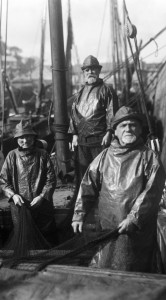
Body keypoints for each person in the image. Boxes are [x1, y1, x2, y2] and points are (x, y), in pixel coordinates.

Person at [72, 106, 166, 273]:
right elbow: (87, 186)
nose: (128, 129)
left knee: (132, 267)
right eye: (123, 126)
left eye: (132, 125)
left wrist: (133, 218)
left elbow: (152, 193)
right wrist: (79, 215)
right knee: (106, 264)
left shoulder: (149, 157)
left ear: (139, 129)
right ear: (115, 131)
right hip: (107, 227)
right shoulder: (103, 157)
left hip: (135, 230)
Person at [0, 119, 57, 245]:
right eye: (21, 138)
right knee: (24, 239)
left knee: (46, 236)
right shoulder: (12, 156)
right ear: (16, 139)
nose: (25, 141)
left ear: (34, 137)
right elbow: (3, 181)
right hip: (20, 206)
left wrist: (42, 196)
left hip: (42, 205)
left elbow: (51, 179)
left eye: (28, 137)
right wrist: (13, 195)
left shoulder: (43, 155)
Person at [68, 55, 119, 191]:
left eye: (93, 69)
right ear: (84, 72)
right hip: (82, 141)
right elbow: (74, 113)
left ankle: (102, 202)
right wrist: (74, 134)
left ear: (98, 71)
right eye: (87, 70)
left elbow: (111, 112)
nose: (90, 72)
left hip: (100, 139)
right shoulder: (79, 93)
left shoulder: (106, 90)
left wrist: (109, 132)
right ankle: (84, 201)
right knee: (83, 173)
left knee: (101, 171)